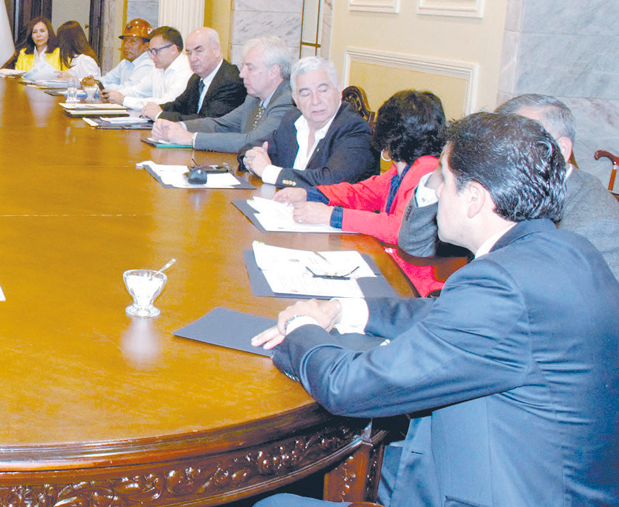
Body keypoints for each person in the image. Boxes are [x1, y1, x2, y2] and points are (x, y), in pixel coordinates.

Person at [252, 112, 619, 507]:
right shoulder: (567, 251)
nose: (435, 191)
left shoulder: (501, 285)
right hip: (513, 465)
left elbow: (349, 388)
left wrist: (304, 327)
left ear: (475, 198)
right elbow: (451, 318)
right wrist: (345, 308)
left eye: (443, 178)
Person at [399, 93, 619, 278]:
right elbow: (416, 246)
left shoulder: (598, 221)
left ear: (561, 150)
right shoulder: (493, 186)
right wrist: (443, 170)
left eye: (521, 141)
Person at [273, 90, 446, 295]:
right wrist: (312, 194)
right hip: (392, 271)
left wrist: (331, 216)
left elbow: (397, 229)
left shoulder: (426, 172)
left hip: (410, 285)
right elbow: (362, 193)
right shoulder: (405, 169)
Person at [240, 57, 377, 188]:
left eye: (323, 90)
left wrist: (268, 172)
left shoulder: (356, 130)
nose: (315, 101)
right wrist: (252, 159)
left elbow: (330, 181)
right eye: (305, 93)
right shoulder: (293, 120)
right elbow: (252, 147)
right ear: (296, 100)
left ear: (338, 90)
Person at [151, 36, 295, 152]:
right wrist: (178, 127)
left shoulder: (288, 101)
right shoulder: (253, 99)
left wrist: (191, 139)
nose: (242, 74)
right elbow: (220, 124)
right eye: (243, 67)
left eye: (250, 68)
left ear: (273, 71)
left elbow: (252, 141)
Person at [145, 27, 244, 120]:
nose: (192, 59)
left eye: (199, 51)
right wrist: (157, 108)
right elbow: (179, 105)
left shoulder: (230, 80)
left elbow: (207, 121)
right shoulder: (196, 78)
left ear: (216, 50)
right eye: (189, 53)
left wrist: (159, 115)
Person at [104, 26, 191, 112]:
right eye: (150, 51)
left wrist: (124, 100)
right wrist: (112, 95)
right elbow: (138, 90)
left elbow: (166, 103)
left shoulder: (186, 71)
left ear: (173, 49)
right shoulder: (158, 68)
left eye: (155, 51)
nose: (152, 57)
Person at [96, 19, 156, 91]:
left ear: (146, 45)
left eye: (133, 41)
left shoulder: (148, 64)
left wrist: (100, 85)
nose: (126, 45)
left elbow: (128, 89)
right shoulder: (126, 62)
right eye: (125, 40)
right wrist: (95, 82)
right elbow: (108, 79)